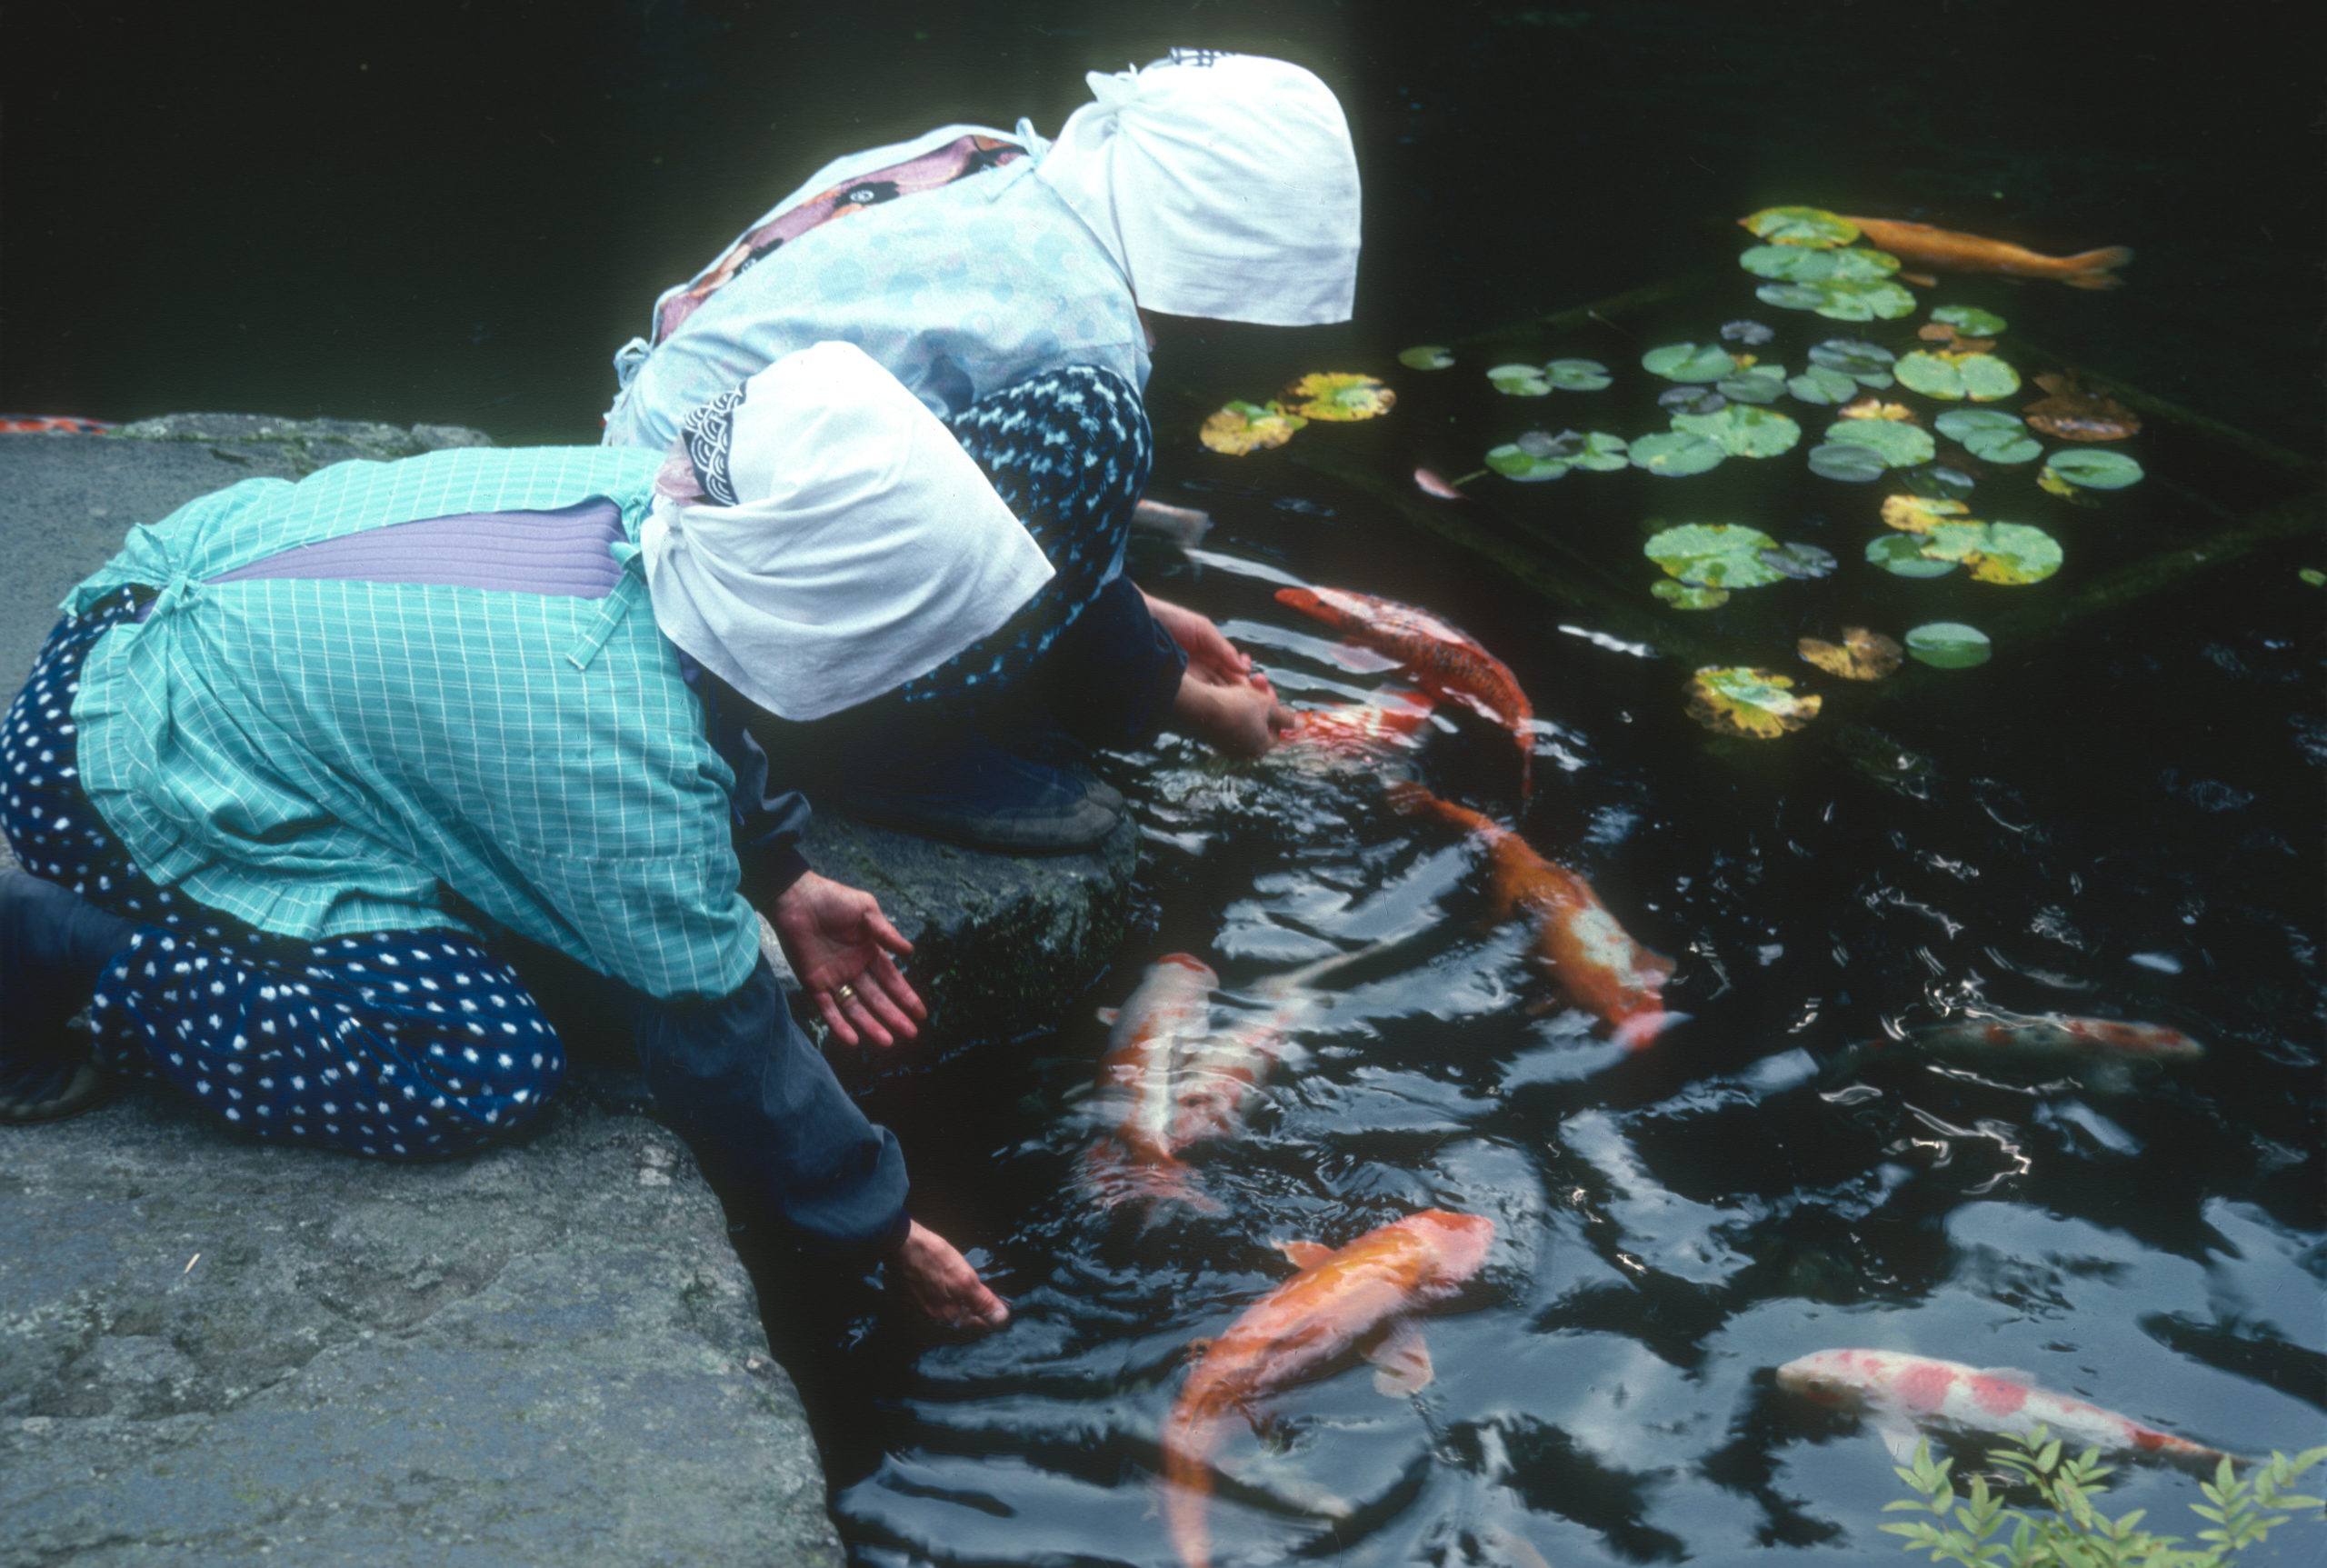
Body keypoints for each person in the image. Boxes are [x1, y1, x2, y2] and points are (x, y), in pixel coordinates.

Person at [0, 341, 1153, 1332]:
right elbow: (717, 1028)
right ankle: (74, 948)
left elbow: (704, 680)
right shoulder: (615, 746)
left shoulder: (653, 508)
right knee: (483, 1062)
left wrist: (781, 876)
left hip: (162, 632)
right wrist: (878, 1228)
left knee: (575, 927)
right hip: (115, 766)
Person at [601, 50, 1363, 833]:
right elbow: (1057, 593)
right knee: (1094, 430)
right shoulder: (1090, 325)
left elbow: (1028, 534)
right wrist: (1205, 713)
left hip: (645, 471)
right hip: (702, 564)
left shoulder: (995, 157)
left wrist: (1162, 625)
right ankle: (886, 751)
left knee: (1070, 446)